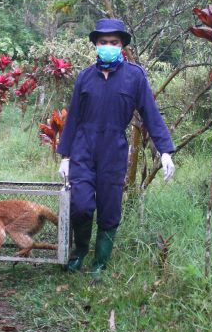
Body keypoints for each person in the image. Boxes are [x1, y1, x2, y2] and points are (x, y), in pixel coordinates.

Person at [57, 18, 175, 277]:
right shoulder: (85, 77)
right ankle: (80, 253)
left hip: (114, 149)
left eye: (113, 42)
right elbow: (74, 117)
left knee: (110, 209)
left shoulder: (135, 76)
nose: (108, 46)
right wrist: (65, 156)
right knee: (81, 205)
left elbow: (151, 114)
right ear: (95, 45)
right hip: (83, 148)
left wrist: (165, 150)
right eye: (103, 42)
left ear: (122, 45)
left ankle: (100, 262)